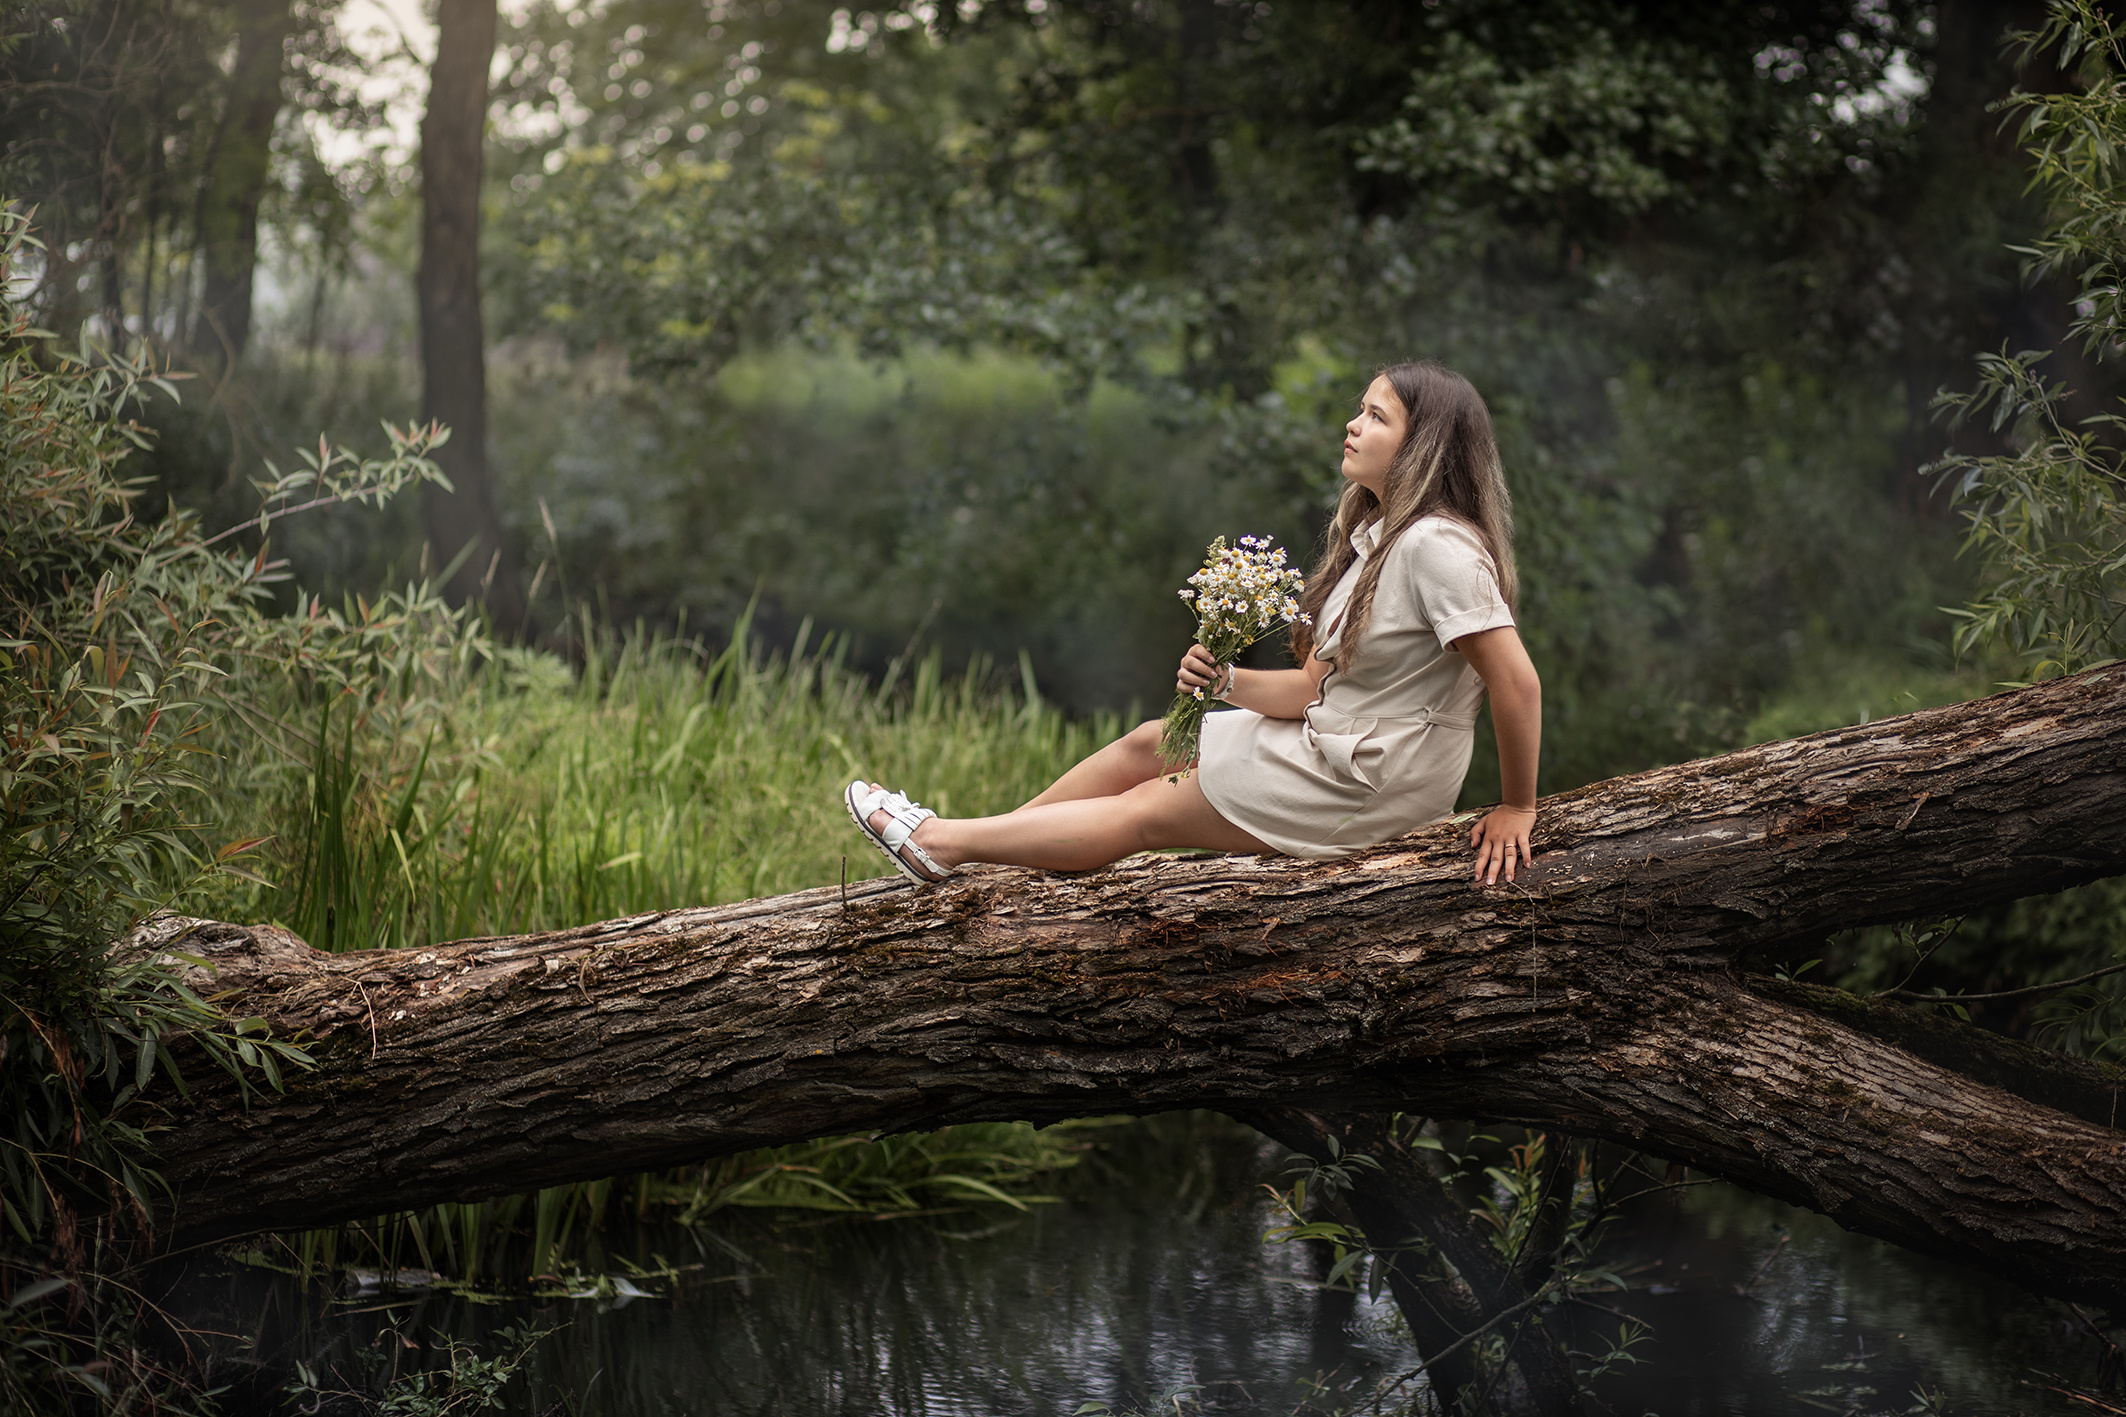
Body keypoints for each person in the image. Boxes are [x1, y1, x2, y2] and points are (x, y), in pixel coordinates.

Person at [845, 359, 1542, 887]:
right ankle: (986, 854)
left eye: (1376, 417)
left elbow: (1516, 684)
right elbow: (1312, 690)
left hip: (1370, 782)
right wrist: (1226, 681)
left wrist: (1517, 807)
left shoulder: (1436, 547)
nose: (1352, 425)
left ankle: (940, 841)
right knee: (1149, 743)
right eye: (1359, 410)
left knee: (1152, 808)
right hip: (1335, 743)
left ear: (1423, 447)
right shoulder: (1380, 542)